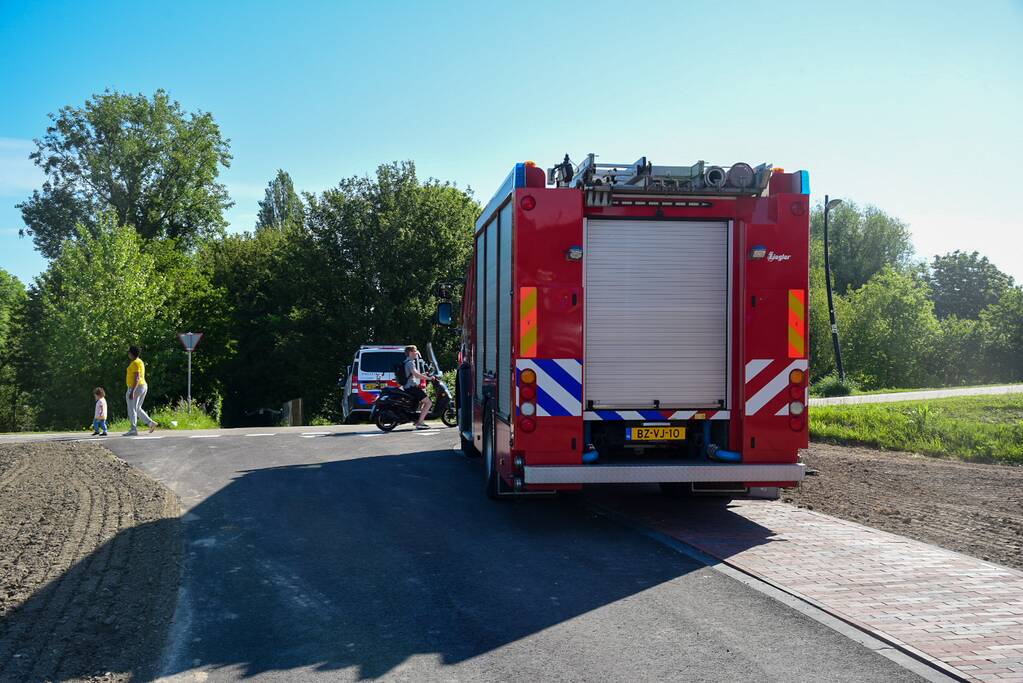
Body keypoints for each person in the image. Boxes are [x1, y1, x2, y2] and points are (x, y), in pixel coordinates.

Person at [125, 345, 159, 436]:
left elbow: (136, 377)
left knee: (132, 409)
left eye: (129, 352)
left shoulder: (135, 363)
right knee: (137, 408)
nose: (128, 354)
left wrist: (132, 391)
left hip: (135, 387)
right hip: (143, 386)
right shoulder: (139, 361)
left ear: (132, 353)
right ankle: (151, 423)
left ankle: (133, 429)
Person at [402, 345, 434, 430]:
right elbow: (416, 374)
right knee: (429, 403)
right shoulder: (410, 363)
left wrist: (425, 375)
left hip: (408, 387)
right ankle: (420, 423)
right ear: (410, 352)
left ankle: (417, 419)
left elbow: (414, 374)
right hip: (412, 388)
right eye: (415, 351)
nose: (416, 353)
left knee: (423, 402)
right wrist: (429, 378)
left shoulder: (406, 362)